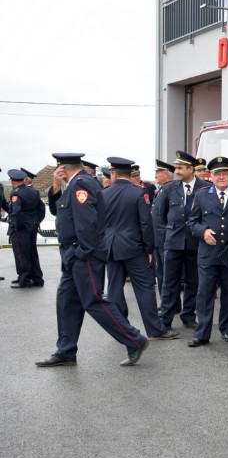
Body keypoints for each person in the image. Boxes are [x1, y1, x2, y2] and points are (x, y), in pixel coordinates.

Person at [35, 153, 149, 367]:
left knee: (93, 301)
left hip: (83, 254)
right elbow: (58, 212)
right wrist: (56, 186)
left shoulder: (82, 184)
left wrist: (81, 252)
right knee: (66, 301)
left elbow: (86, 223)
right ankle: (66, 351)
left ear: (63, 169)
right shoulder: (72, 184)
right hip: (73, 254)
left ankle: (135, 339)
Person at [102, 157, 179, 341]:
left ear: (113, 173)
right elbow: (146, 224)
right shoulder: (138, 192)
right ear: (130, 174)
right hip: (134, 247)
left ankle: (121, 328)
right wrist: (149, 249)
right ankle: (155, 330)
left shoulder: (103, 193)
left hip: (111, 247)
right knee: (144, 288)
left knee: (114, 288)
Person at [187, 156, 228, 347]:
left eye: (225, 173)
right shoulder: (201, 195)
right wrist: (202, 231)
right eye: (217, 174)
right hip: (208, 254)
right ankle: (202, 333)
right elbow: (192, 222)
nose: (221, 177)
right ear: (211, 176)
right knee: (204, 294)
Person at [155, 151, 211, 329]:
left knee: (193, 282)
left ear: (191, 169)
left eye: (180, 168)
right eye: (176, 168)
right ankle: (166, 318)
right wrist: (168, 234)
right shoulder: (169, 188)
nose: (176, 171)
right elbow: (160, 216)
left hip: (195, 242)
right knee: (169, 282)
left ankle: (188, 316)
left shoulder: (205, 187)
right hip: (173, 242)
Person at [7, 169, 45, 288]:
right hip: (32, 226)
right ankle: (37, 278)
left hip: (21, 228)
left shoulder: (16, 193)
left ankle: (24, 279)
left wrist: (17, 226)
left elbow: (17, 212)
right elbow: (41, 208)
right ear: (23, 180)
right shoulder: (33, 191)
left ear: (12, 182)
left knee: (21, 254)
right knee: (32, 252)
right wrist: (36, 221)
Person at [151, 159, 175, 296]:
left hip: (164, 238)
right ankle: (167, 301)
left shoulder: (169, 189)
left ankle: (169, 302)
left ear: (165, 174)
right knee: (161, 272)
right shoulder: (162, 189)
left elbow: (167, 216)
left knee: (166, 274)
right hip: (158, 238)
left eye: (158, 173)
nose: (155, 175)